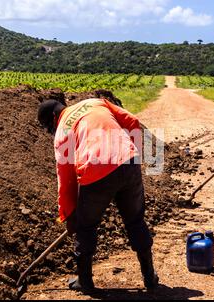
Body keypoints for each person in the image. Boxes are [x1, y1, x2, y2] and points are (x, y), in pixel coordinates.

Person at [37, 98, 159, 292]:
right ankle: (150, 277)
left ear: (53, 118)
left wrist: (69, 215)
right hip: (129, 161)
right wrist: (129, 151)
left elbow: (66, 179)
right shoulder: (95, 102)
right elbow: (133, 121)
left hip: (96, 171)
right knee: (135, 221)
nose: (49, 131)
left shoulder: (62, 131)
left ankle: (85, 282)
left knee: (86, 227)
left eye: (47, 127)